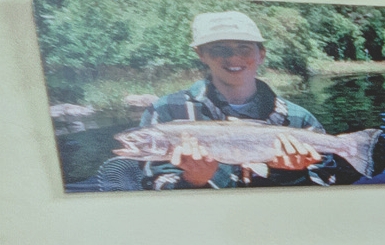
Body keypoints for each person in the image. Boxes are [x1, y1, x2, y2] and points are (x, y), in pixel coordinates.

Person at [93, 10, 333, 190]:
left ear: (261, 54)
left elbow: (326, 187)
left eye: (244, 48)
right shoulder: (165, 112)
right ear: (201, 54)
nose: (233, 58)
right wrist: (194, 180)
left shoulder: (299, 119)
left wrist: (291, 174)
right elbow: (157, 188)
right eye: (219, 49)